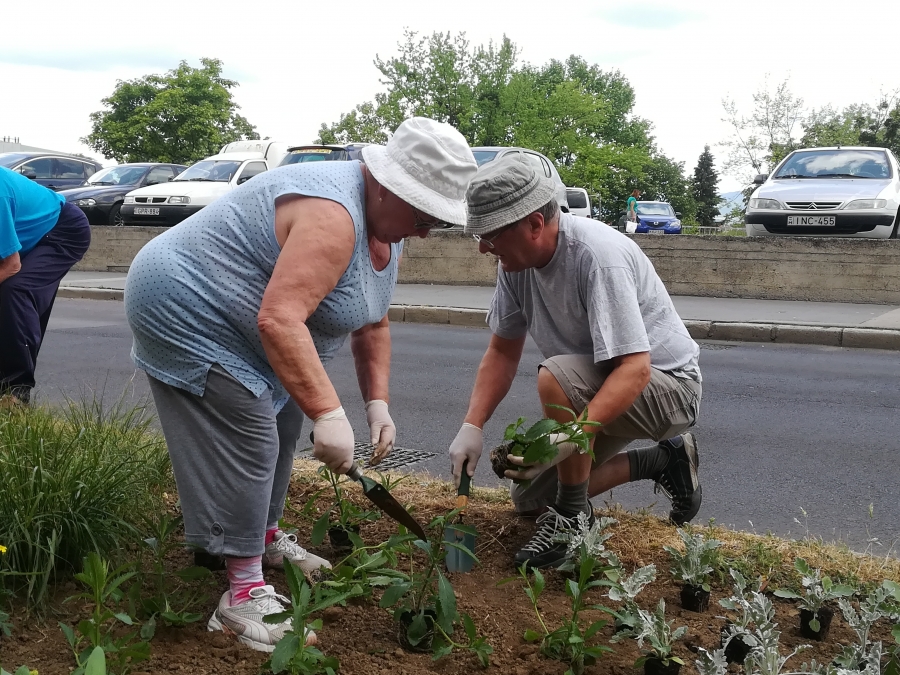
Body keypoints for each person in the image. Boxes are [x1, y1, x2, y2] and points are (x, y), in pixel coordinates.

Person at [124, 117, 477, 652]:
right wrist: (331, 415)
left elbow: (373, 320)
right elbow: (281, 320)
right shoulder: (332, 216)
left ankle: (261, 539)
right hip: (185, 302)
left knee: (286, 419)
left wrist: (376, 404)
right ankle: (240, 598)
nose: (428, 229)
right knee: (251, 435)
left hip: (248, 319)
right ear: (385, 185)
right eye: (424, 214)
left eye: (438, 219)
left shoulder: (389, 228)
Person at [448, 156, 702, 570]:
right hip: (604, 384)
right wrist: (471, 425)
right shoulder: (515, 264)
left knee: (556, 378)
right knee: (529, 498)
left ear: (534, 224)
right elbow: (501, 351)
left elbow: (635, 368)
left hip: (670, 388)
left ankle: (571, 522)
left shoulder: (596, 255)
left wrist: (571, 435)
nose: (482, 247)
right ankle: (663, 460)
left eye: (490, 234)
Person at [0, 167, 91, 406]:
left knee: (15, 291)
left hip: (62, 230)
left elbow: (10, 265)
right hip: (29, 236)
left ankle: (15, 391)